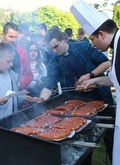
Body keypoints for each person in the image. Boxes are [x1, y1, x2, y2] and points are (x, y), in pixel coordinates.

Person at [40, 28, 115, 164]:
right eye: (51, 49)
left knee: (112, 140)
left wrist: (90, 75)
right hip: (76, 108)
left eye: (56, 47)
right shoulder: (54, 61)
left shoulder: (83, 47)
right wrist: (40, 102)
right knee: (83, 145)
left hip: (101, 99)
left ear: (64, 39)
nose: (54, 51)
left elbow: (106, 62)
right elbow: (49, 84)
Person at [70, 0, 120, 165]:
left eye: (92, 39)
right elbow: (115, 80)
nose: (92, 45)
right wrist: (93, 80)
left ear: (102, 34)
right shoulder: (116, 45)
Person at [2, 22, 33, 90]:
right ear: (3, 35)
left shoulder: (22, 52)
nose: (14, 40)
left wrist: (20, 83)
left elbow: (29, 74)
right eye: (11, 37)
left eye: (16, 37)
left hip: (18, 91)